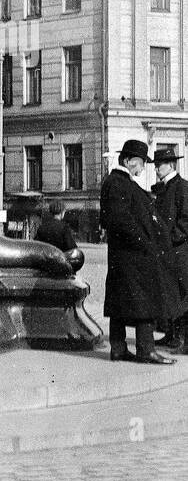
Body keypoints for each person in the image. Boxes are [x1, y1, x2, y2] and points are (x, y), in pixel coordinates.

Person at [100, 139, 175, 364]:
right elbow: (121, 220)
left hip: (124, 256)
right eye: (140, 162)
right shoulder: (119, 183)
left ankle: (119, 348)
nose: (143, 167)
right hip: (133, 256)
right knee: (145, 301)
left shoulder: (118, 182)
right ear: (127, 161)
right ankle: (145, 350)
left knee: (120, 302)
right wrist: (145, 243)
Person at [151, 148, 188, 351]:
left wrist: (171, 240)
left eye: (160, 165)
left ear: (171, 165)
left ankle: (180, 337)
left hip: (179, 251)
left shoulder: (182, 187)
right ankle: (170, 334)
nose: (156, 169)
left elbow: (185, 220)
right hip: (166, 251)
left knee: (181, 294)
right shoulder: (163, 189)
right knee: (168, 293)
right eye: (156, 165)